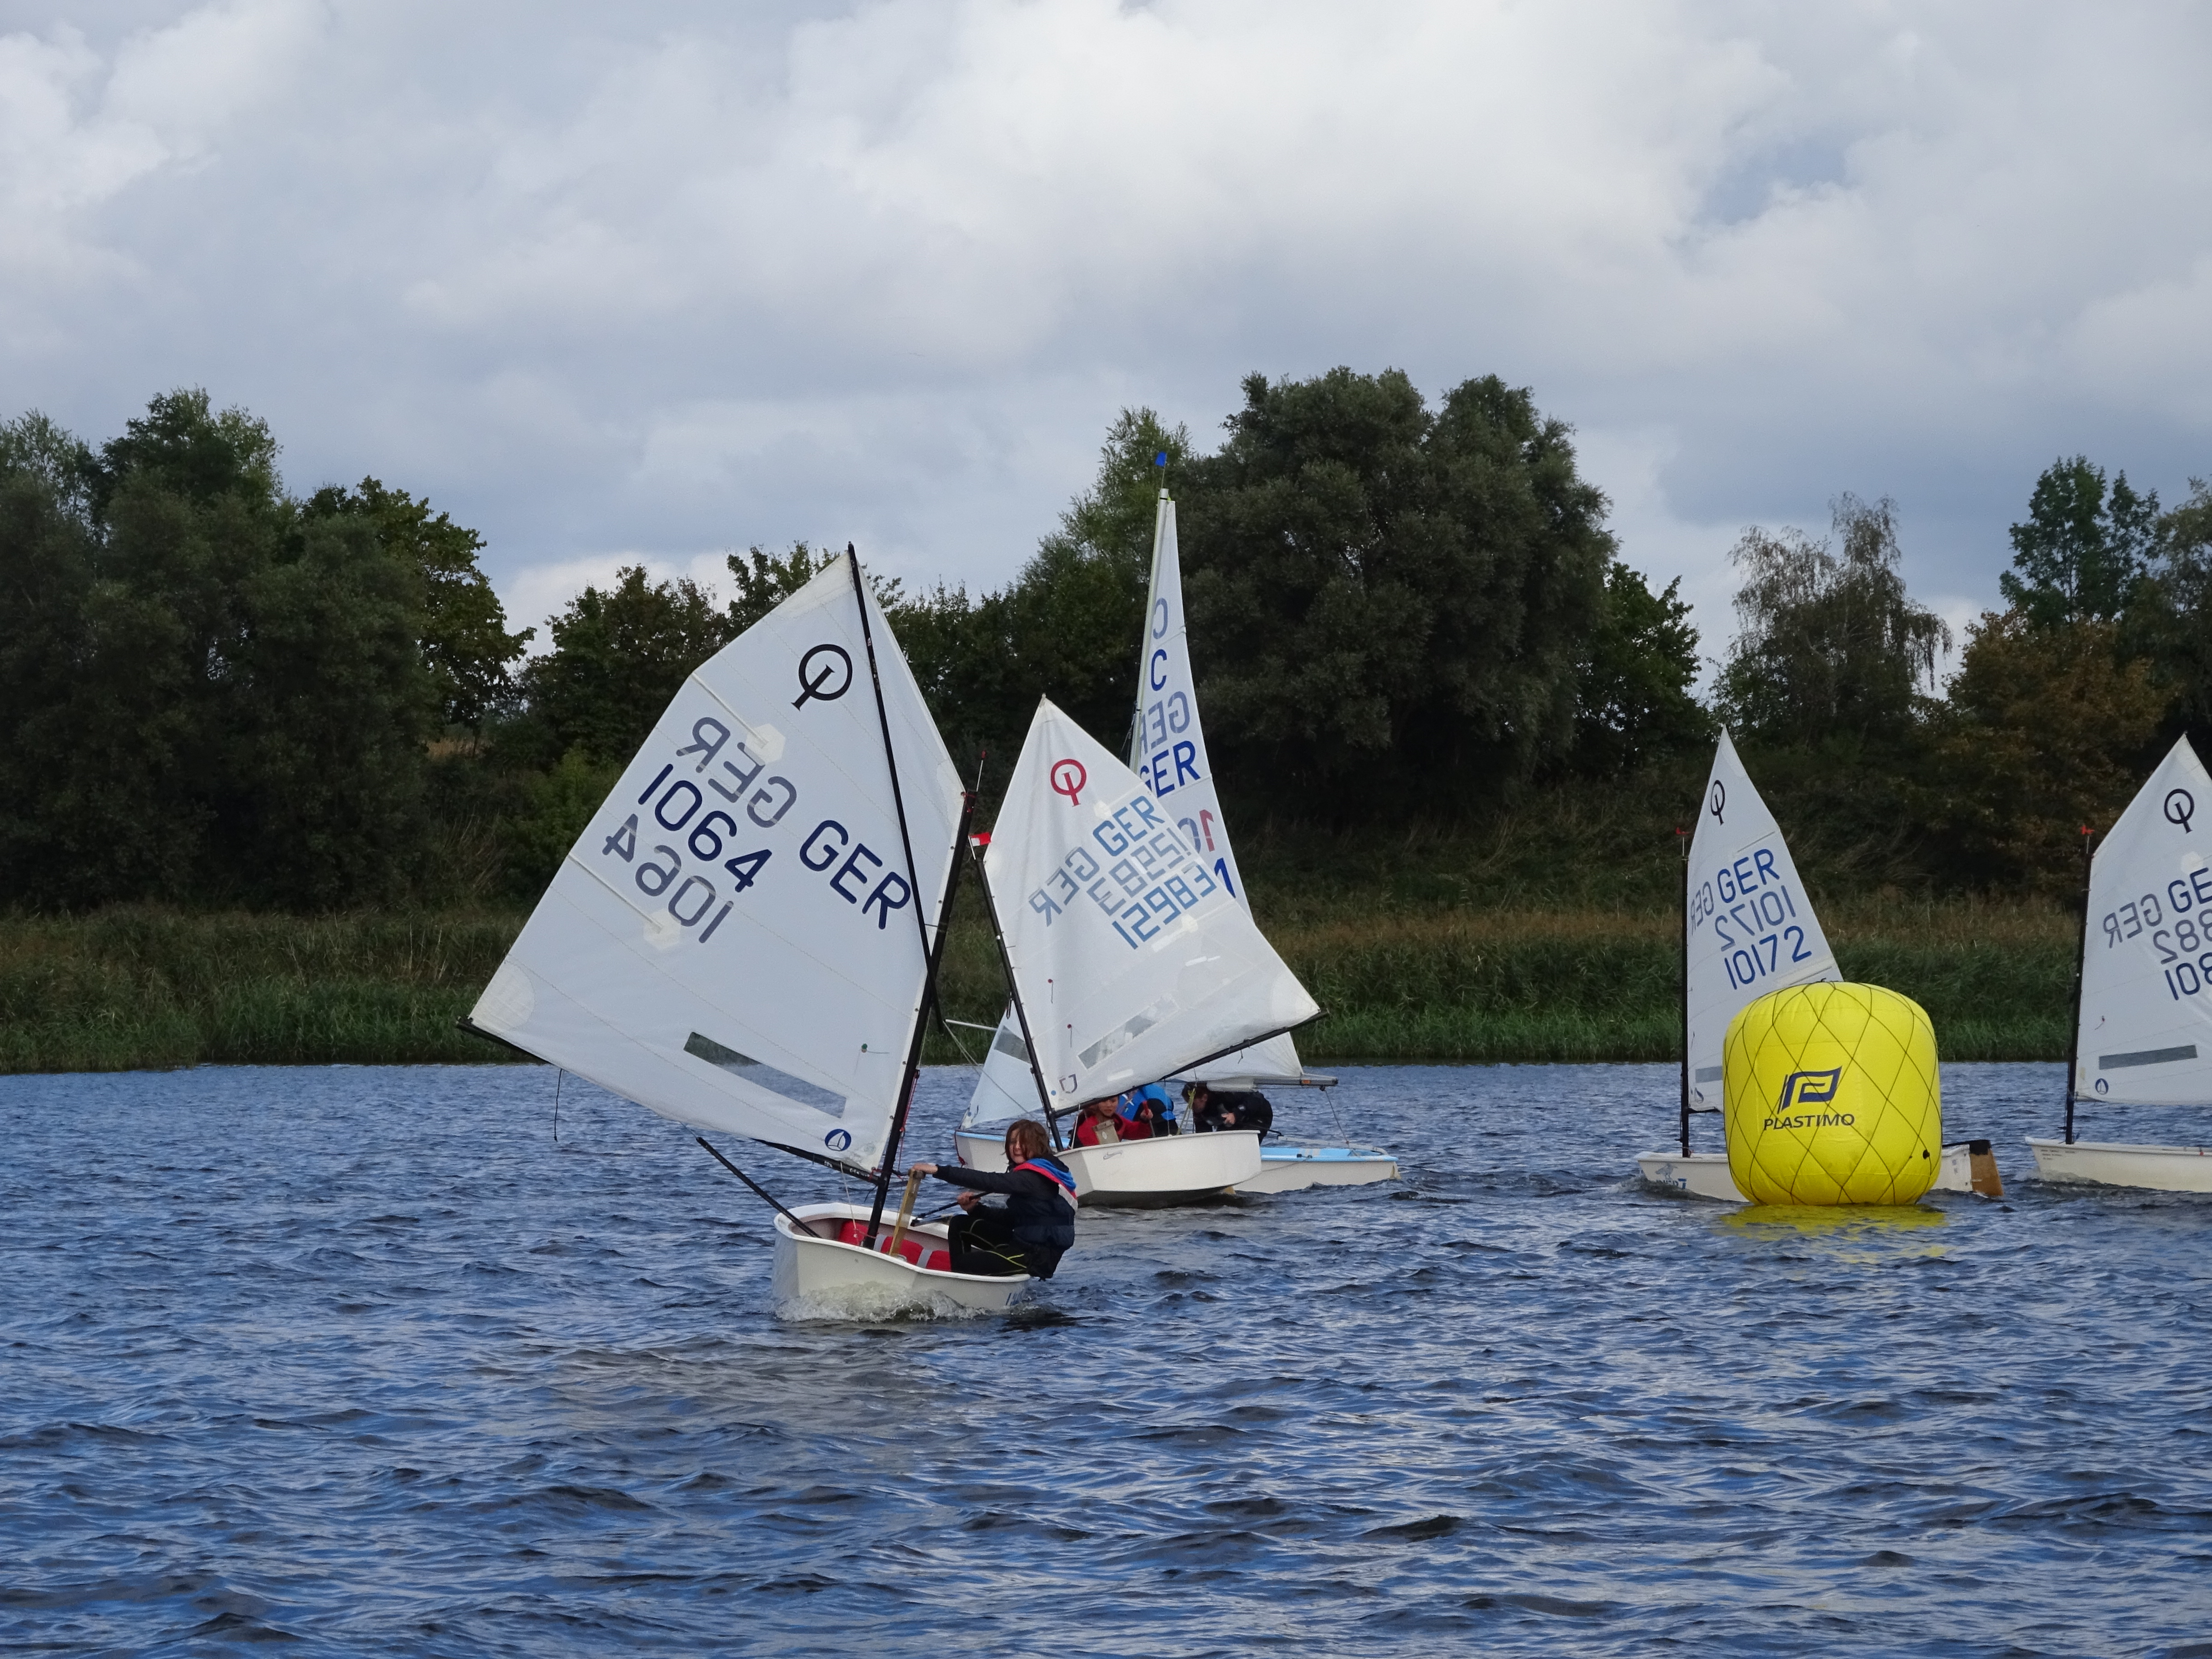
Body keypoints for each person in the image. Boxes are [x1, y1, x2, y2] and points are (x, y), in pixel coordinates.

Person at [911, 1120, 1077, 1279]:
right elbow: (1014, 1219)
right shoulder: (1043, 1170)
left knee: (965, 1263)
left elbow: (989, 1181)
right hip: (1023, 1241)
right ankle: (965, 1279)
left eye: (1024, 1143)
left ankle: (961, 1283)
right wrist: (976, 1209)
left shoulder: (1032, 1179)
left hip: (1034, 1257)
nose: (1016, 1147)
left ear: (1038, 1146)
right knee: (960, 1224)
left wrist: (938, 1170)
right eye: (1013, 1142)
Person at [1185, 1081, 1275, 1139]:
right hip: (1230, 1124)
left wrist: (1236, 1115)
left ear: (1204, 1098)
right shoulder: (1199, 1111)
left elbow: (1257, 1099)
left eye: (1193, 1104)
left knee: (1244, 1142)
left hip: (1258, 1115)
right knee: (1222, 1141)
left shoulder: (1225, 1094)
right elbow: (1203, 1133)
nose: (1191, 1107)